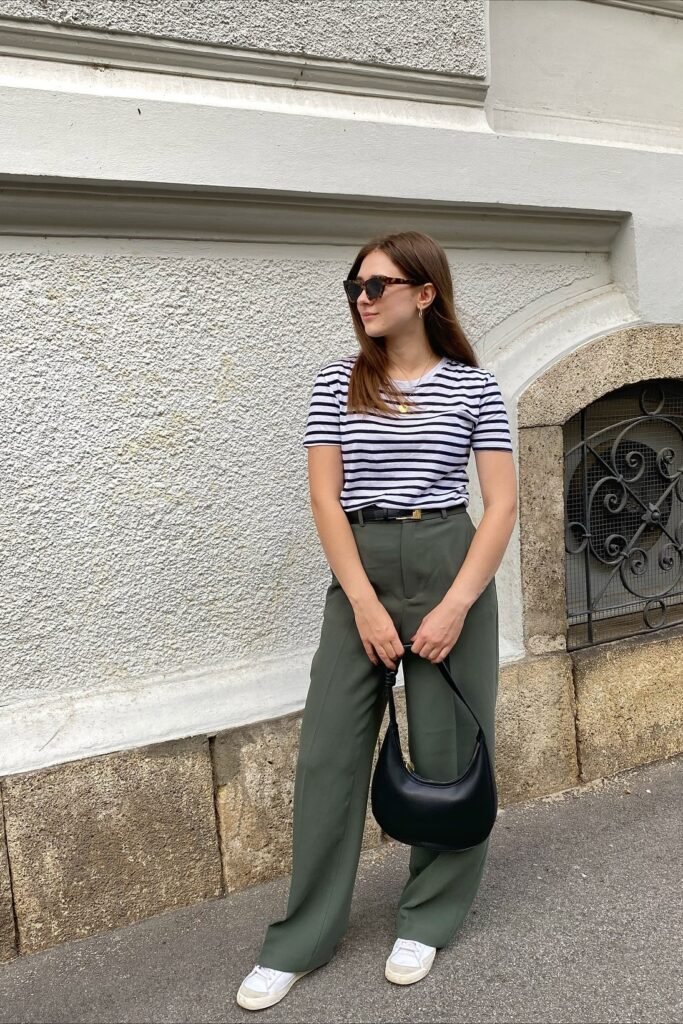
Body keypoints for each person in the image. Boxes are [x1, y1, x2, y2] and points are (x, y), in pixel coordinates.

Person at [236, 230, 518, 1011]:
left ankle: (427, 917)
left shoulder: (473, 388)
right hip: (359, 569)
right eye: (354, 287)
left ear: (423, 294)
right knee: (327, 753)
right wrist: (361, 601)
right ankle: (301, 937)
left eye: (376, 285)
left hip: (448, 560)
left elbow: (500, 506)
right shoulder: (337, 381)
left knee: (447, 750)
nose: (361, 299)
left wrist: (455, 605)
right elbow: (323, 497)